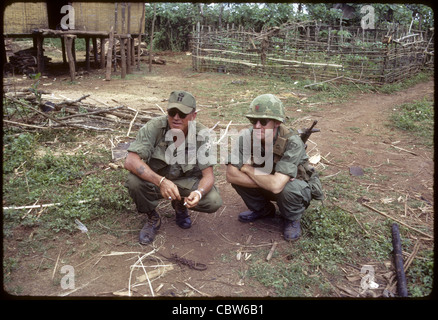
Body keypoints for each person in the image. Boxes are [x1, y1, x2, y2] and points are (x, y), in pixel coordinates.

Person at [124, 90, 223, 245]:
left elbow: (208, 176)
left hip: (185, 183)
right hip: (157, 182)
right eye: (172, 112)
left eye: (182, 114)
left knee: (213, 200)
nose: (176, 118)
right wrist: (161, 181)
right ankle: (152, 217)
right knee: (133, 181)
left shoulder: (201, 134)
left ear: (193, 116)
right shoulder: (154, 127)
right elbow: (130, 161)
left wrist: (198, 192)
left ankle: (180, 205)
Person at [226, 94, 323, 242]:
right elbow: (231, 175)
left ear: (277, 122)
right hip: (272, 180)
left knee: (288, 188)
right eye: (253, 121)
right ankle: (264, 210)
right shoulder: (246, 136)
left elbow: (278, 186)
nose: (257, 126)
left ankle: (291, 218)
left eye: (263, 121)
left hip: (295, 185)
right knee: (238, 180)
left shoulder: (292, 142)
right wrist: (269, 183)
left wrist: (248, 169)